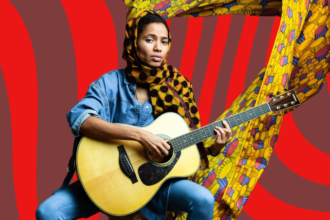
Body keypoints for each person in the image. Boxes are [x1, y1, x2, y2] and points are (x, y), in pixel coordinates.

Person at [35, 11, 232, 220]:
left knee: (203, 199)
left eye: (164, 42)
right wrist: (139, 135)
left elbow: (182, 149)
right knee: (48, 212)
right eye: (150, 40)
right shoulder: (109, 83)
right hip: (102, 179)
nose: (158, 48)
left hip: (155, 186)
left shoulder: (179, 89)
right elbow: (80, 118)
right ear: (134, 43)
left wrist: (214, 147)